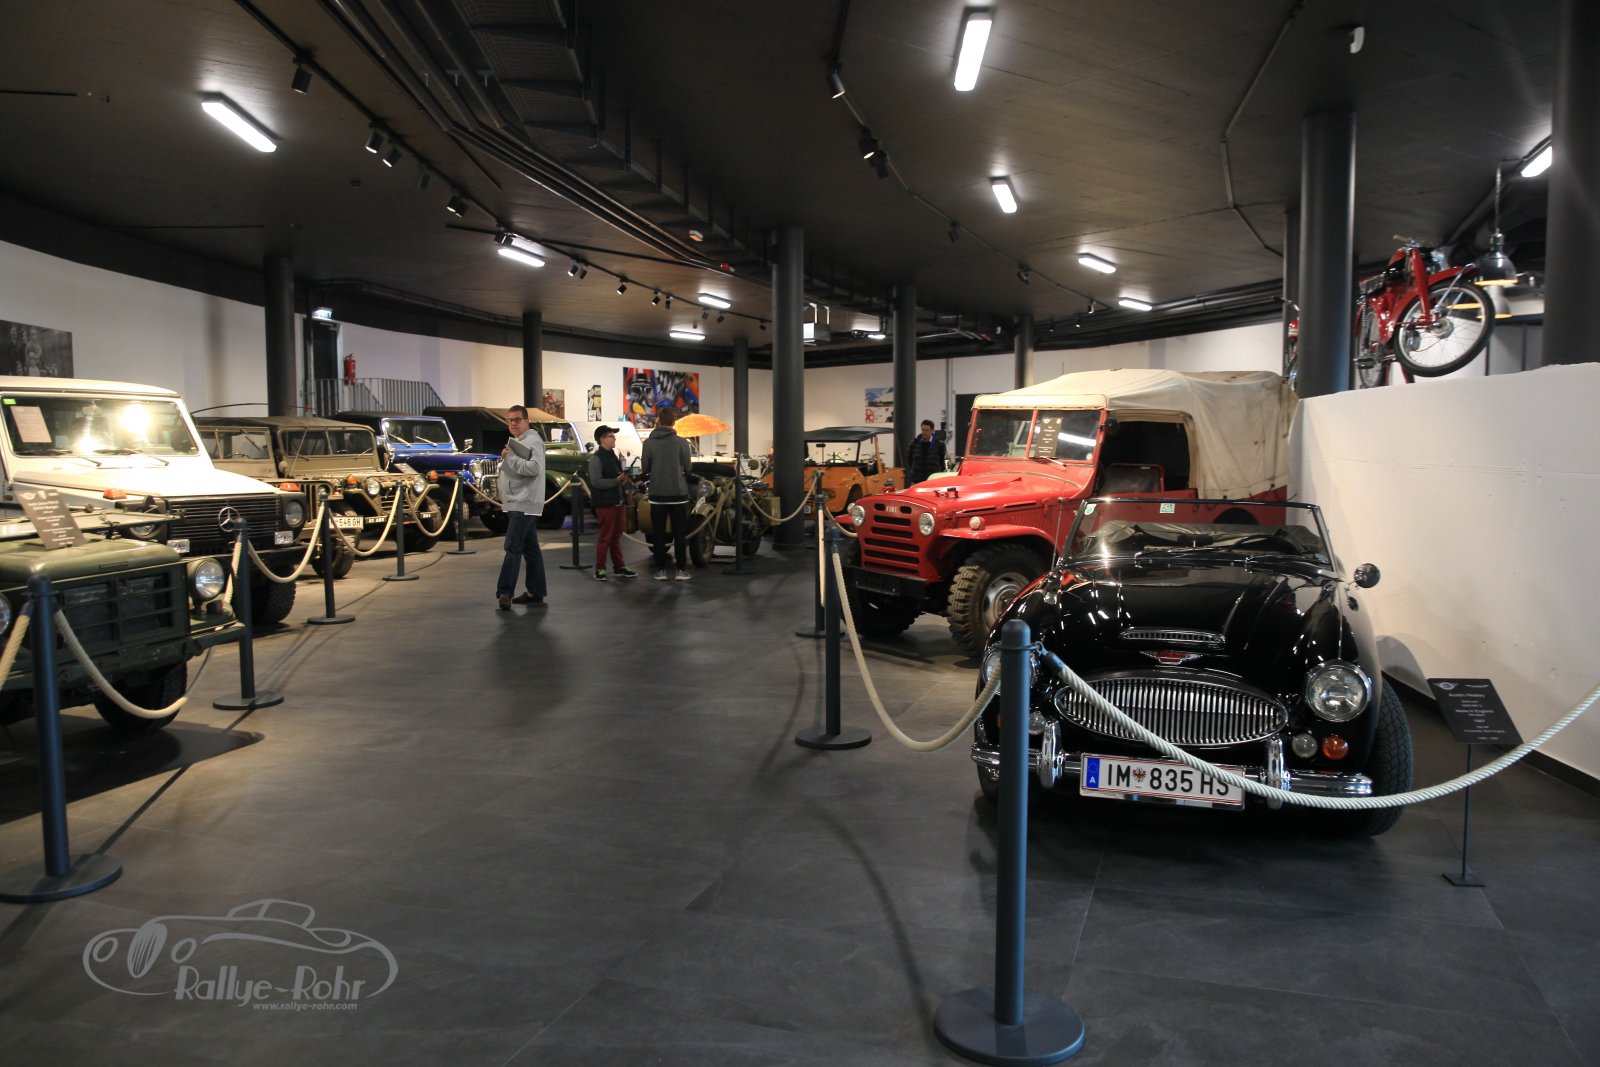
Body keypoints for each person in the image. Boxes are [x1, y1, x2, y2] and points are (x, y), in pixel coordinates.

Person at [494, 405, 549, 610]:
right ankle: (535, 592)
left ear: (527, 420)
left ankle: (505, 593)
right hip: (519, 502)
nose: (513, 423)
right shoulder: (520, 442)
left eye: (517, 419)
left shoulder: (533, 440)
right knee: (530, 549)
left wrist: (511, 458)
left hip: (523, 503)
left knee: (512, 547)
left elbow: (535, 468)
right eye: (510, 420)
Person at [641, 405, 693, 581]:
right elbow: (688, 468)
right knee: (679, 533)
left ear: (659, 420)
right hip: (678, 494)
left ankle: (660, 570)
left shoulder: (648, 443)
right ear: (673, 421)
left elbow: (645, 468)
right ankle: (680, 570)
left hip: (657, 494)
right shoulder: (682, 443)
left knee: (658, 534)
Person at [586, 425, 636, 581]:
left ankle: (619, 566)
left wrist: (623, 480)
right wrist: (616, 480)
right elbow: (596, 482)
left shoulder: (612, 456)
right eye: (611, 436)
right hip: (605, 503)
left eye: (614, 436)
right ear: (602, 439)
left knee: (616, 536)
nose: (614, 438)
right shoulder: (596, 459)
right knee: (606, 537)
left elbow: (615, 477)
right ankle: (600, 569)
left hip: (617, 501)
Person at [906, 419, 946, 484]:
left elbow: (942, 462)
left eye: (927, 430)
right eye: (923, 430)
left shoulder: (939, 444)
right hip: (916, 479)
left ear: (932, 431)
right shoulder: (914, 443)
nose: (924, 432)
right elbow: (909, 459)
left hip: (933, 479)